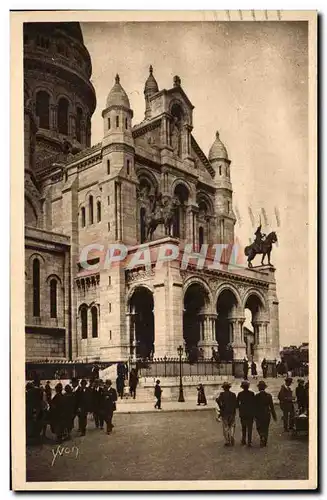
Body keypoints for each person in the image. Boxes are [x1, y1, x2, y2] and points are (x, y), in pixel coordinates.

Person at [254, 380, 277, 447]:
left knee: (259, 427)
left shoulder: (256, 396)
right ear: (264, 388)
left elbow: (254, 406)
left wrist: (254, 415)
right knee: (266, 428)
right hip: (267, 413)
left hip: (259, 414)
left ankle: (262, 436)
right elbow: (272, 407)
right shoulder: (269, 396)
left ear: (259, 388)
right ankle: (265, 441)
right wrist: (274, 416)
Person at [216, 381, 237, 446]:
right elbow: (236, 404)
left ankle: (227, 440)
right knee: (232, 425)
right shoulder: (233, 394)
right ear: (229, 388)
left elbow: (219, 402)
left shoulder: (222, 394)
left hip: (225, 412)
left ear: (224, 388)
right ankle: (232, 435)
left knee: (226, 426)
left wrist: (219, 405)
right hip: (232, 412)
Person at [237, 380, 255, 447]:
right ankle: (249, 441)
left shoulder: (240, 394)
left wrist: (241, 407)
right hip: (250, 413)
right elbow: (254, 404)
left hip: (243, 413)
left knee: (243, 427)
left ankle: (243, 440)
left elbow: (237, 404)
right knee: (250, 428)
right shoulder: (252, 393)